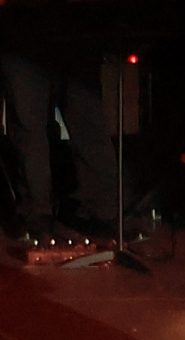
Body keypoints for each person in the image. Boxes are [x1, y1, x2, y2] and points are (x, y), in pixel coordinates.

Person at [0, 0, 118, 243]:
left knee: (36, 128)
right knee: (45, 127)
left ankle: (47, 216)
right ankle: (88, 213)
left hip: (55, 29)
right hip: (45, 29)